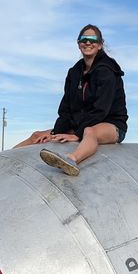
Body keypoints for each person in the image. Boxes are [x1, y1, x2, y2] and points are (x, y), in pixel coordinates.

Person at [14, 24, 127, 176]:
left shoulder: (107, 70)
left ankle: (72, 160)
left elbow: (101, 109)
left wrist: (77, 134)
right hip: (81, 123)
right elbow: (66, 108)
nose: (88, 42)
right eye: (84, 39)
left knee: (89, 132)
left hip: (110, 124)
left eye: (93, 39)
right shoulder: (74, 73)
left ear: (100, 45)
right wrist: (56, 131)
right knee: (37, 136)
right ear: (78, 43)